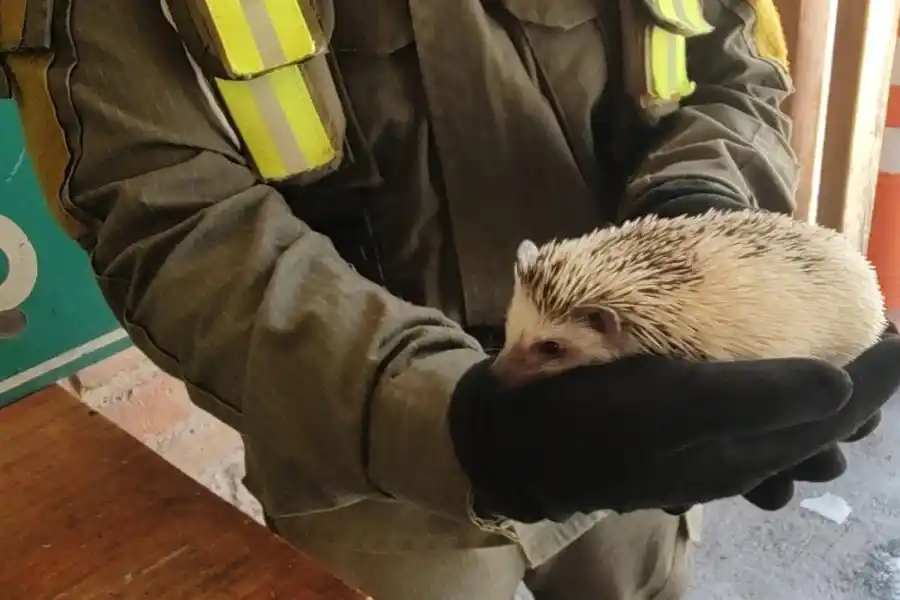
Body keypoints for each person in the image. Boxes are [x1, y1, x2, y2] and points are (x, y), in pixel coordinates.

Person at [3, 0, 899, 598]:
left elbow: (736, 77)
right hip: (369, 477)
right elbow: (164, 218)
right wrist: (445, 420)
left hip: (645, 407)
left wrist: (692, 216)